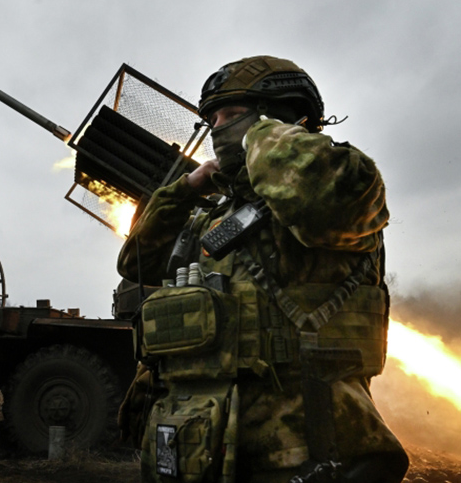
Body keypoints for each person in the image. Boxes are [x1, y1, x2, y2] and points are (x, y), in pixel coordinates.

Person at [117, 56, 408, 483]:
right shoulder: (214, 217)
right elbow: (136, 262)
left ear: (285, 119)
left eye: (233, 115)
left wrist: (262, 134)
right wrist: (186, 188)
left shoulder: (339, 186)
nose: (218, 128)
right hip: (205, 451)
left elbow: (322, 194)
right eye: (212, 119)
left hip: (303, 459)